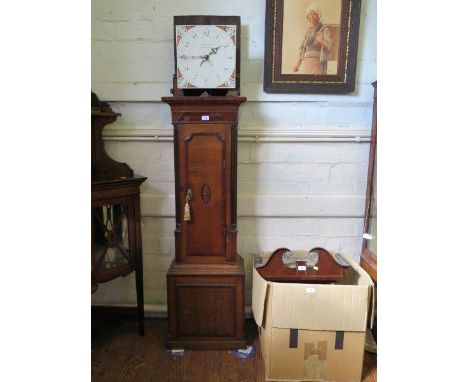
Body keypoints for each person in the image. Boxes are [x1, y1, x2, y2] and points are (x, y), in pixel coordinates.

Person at [293, 3, 333, 75]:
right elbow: (303, 49)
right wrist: (297, 64)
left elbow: (330, 47)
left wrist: (322, 41)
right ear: (307, 16)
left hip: (318, 62)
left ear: (319, 15)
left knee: (318, 84)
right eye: (310, 14)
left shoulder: (324, 29)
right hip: (307, 62)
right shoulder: (307, 31)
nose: (312, 16)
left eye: (315, 14)